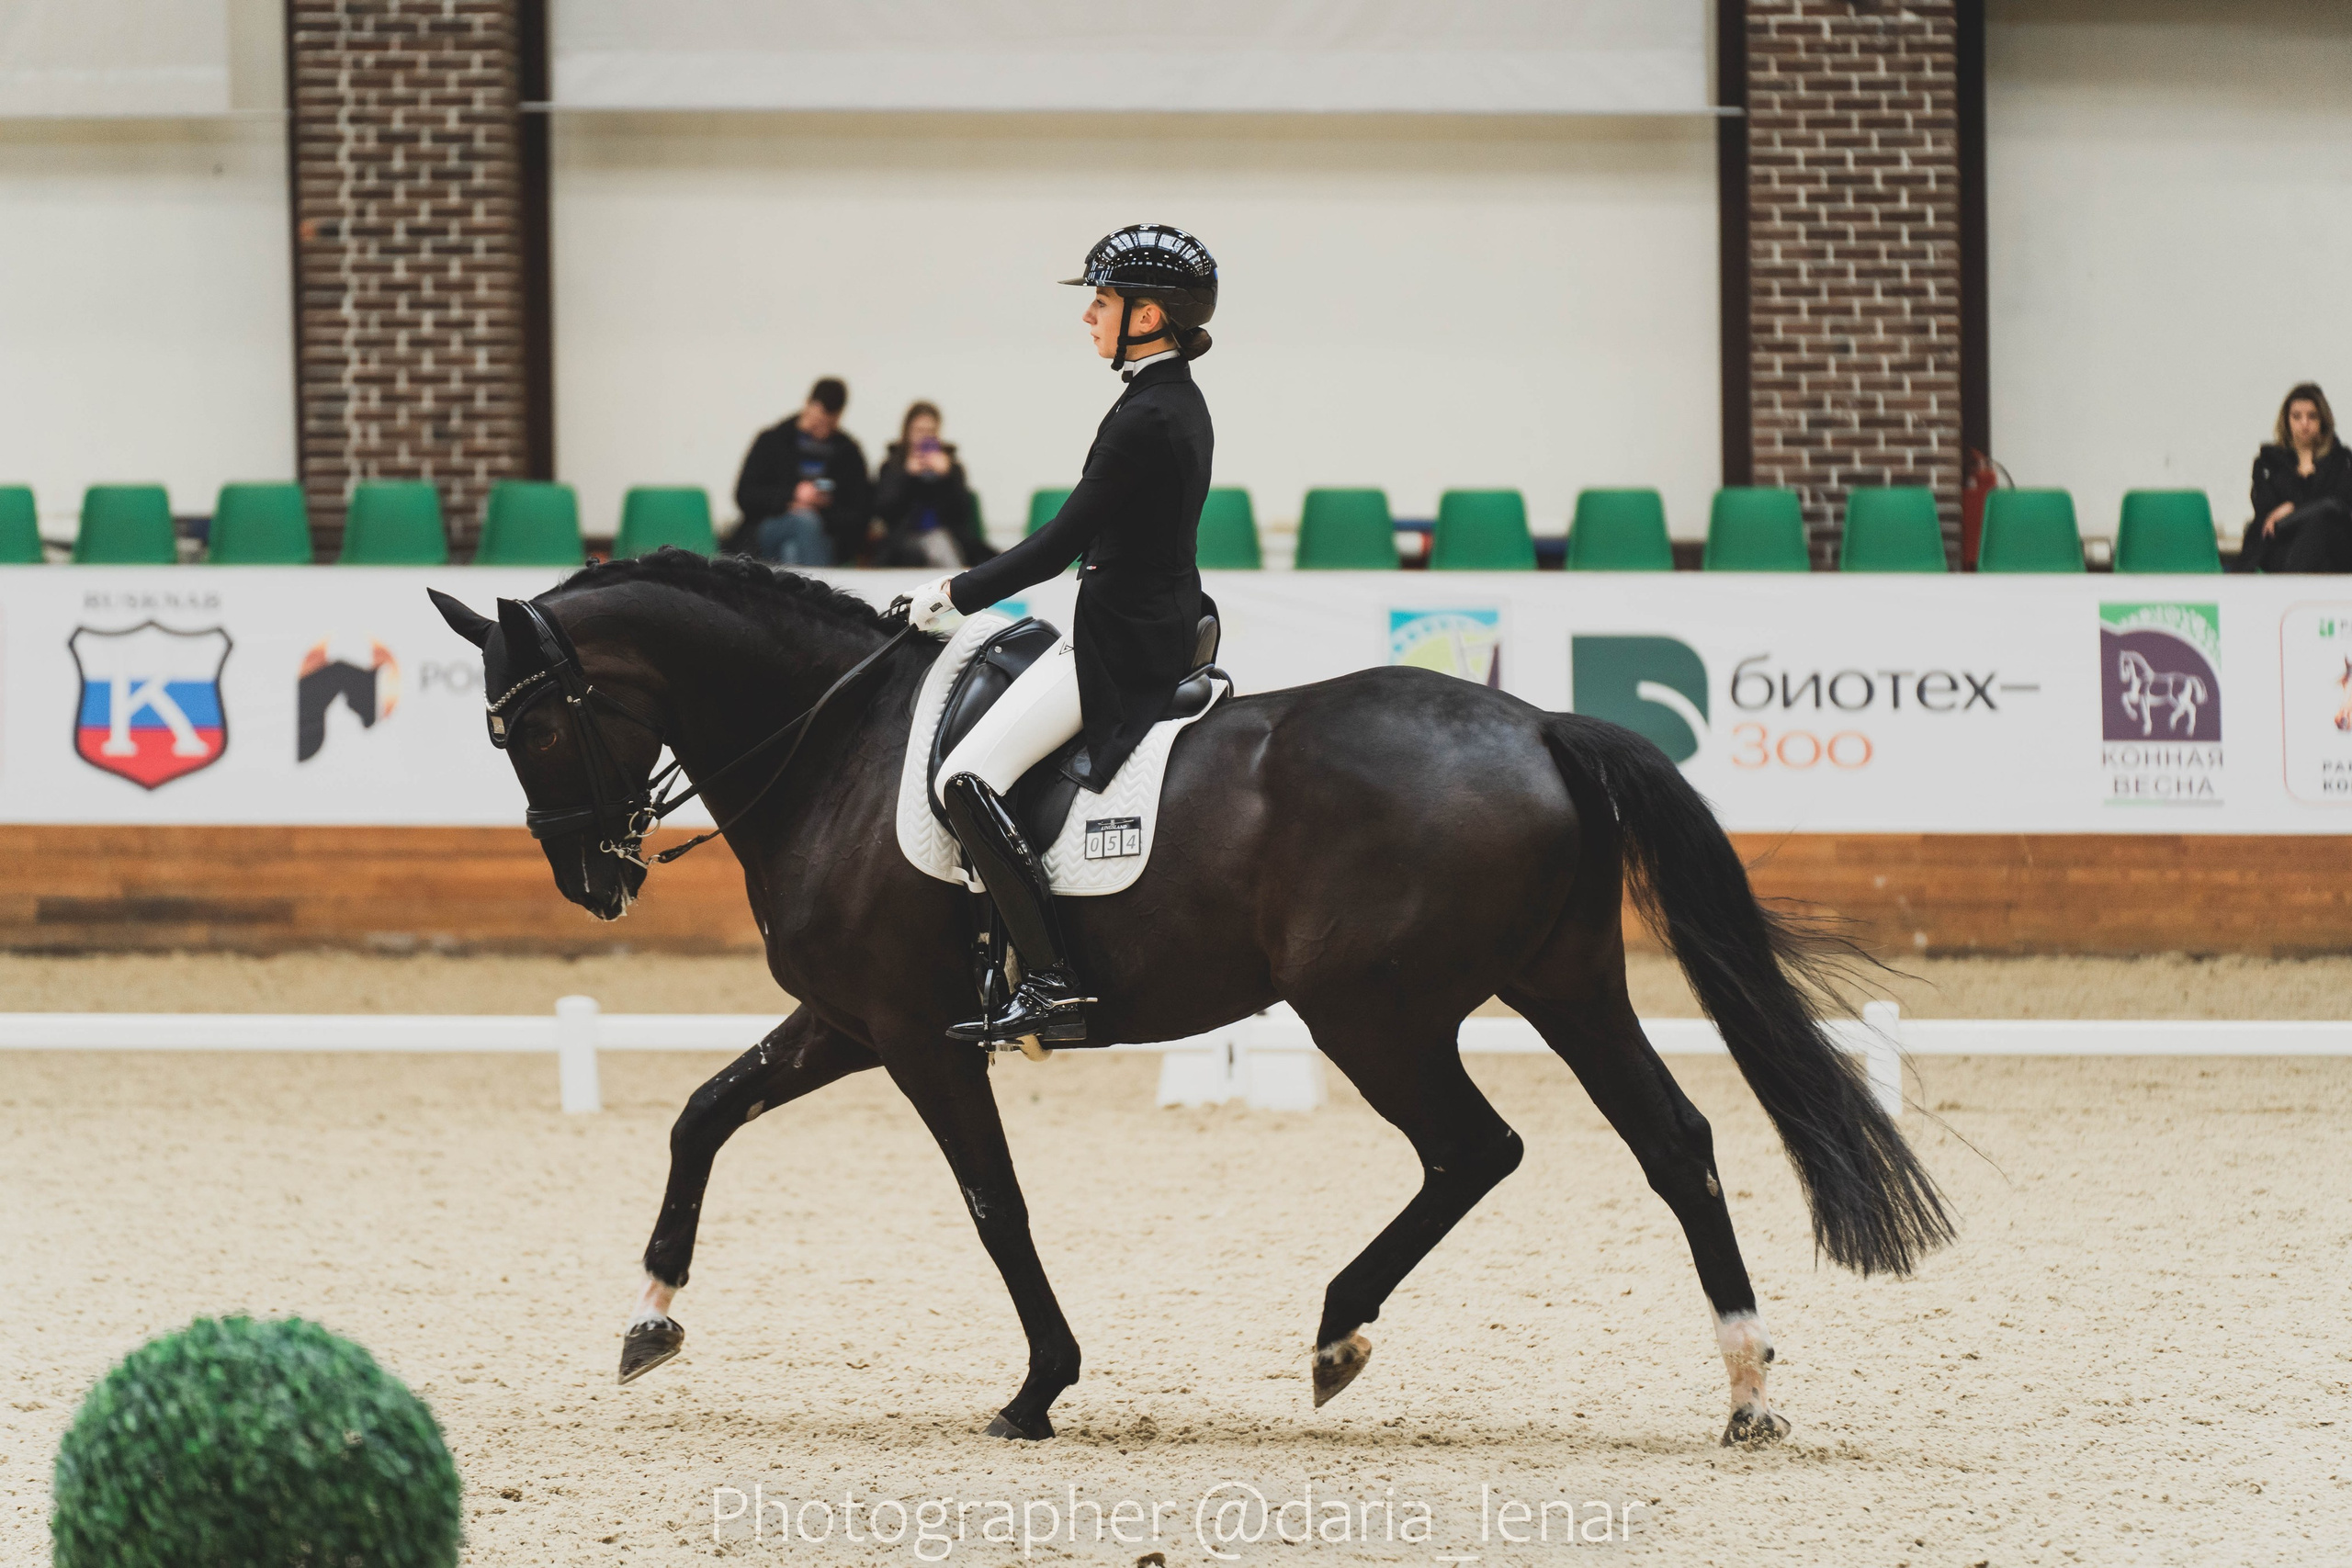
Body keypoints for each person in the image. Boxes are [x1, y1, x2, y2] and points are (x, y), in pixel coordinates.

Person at [901, 223, 1219, 1047]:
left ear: (1147, 316)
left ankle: (1049, 982)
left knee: (966, 778)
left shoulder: (1147, 415)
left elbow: (1058, 543)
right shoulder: (1164, 397)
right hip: (1146, 618)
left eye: (1103, 303)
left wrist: (952, 594)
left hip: (1121, 640)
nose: (1090, 318)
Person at [732, 378, 874, 565]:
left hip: (825, 532)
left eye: (828, 424)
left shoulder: (848, 453)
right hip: (770, 526)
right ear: (808, 405)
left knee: (791, 551)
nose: (821, 431)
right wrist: (792, 496)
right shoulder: (772, 441)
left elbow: (859, 512)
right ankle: (821, 590)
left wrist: (821, 507)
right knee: (804, 522)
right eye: (817, 422)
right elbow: (745, 495)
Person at [2237, 382, 2352, 572]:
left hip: (2333, 549)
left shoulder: (2341, 460)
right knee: (2317, 524)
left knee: (2323, 521)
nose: (2304, 424)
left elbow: (2340, 506)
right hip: (2281, 545)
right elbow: (2266, 512)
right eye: (2297, 417)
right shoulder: (2267, 463)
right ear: (2286, 420)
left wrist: (2294, 508)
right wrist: (2312, 509)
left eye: (2312, 416)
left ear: (2323, 420)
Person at [874, 401, 997, 569]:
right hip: (904, 541)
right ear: (907, 433)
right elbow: (885, 511)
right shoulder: (892, 467)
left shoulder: (952, 468)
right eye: (919, 431)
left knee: (940, 542)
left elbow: (962, 513)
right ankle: (956, 589)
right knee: (937, 543)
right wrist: (905, 476)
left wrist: (947, 477)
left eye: (931, 431)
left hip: (950, 538)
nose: (925, 437)